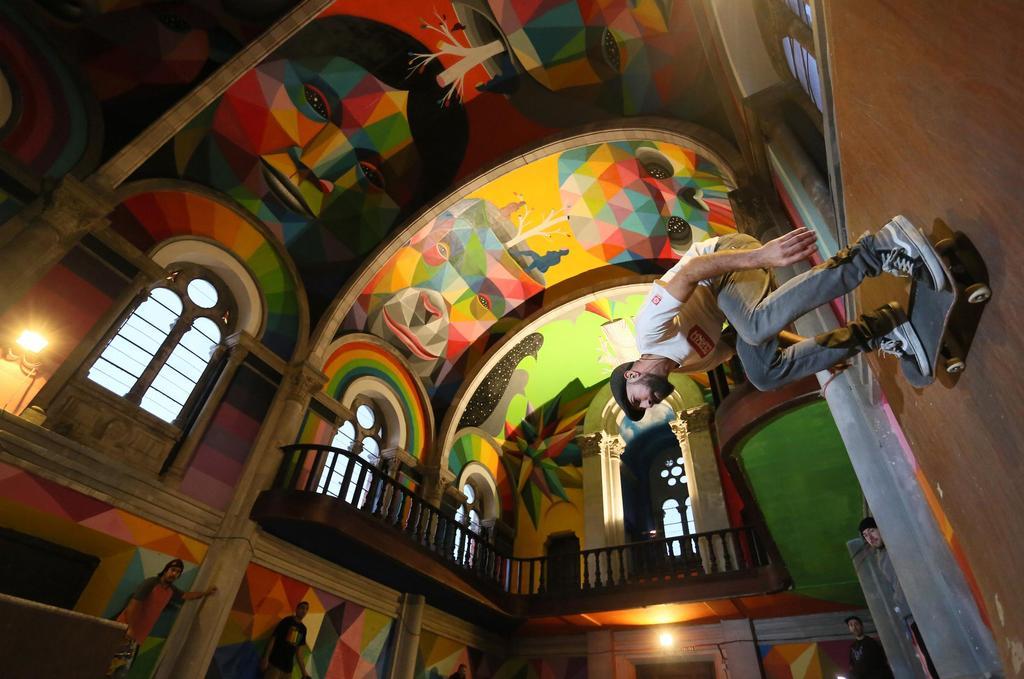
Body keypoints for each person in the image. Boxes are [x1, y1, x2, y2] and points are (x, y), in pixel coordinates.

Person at [610, 216, 945, 419]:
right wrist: (820, 354)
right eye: (647, 408)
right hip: (737, 302)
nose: (650, 403)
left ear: (631, 375)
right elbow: (751, 340)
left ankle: (877, 250)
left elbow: (691, 271)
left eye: (639, 400)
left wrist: (760, 255)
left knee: (754, 326)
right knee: (763, 374)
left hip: (726, 258)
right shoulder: (691, 364)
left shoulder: (649, 330)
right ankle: (882, 329)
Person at [107, 558, 217, 677]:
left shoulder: (171, 590)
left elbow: (186, 595)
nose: (174, 574)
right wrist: (130, 628)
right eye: (172, 570)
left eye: (178, 572)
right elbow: (133, 605)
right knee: (107, 664)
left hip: (137, 637)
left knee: (120, 671)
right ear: (165, 570)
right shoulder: (151, 583)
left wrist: (206, 592)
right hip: (125, 632)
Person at [860, 517, 939, 678]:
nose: (870, 537)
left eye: (872, 531)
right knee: (929, 657)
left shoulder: (898, 545)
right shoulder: (880, 558)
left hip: (927, 607)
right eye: (866, 536)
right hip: (910, 614)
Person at [262, 601, 312, 679]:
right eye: (302, 608)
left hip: (288, 669)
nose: (304, 611)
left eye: (306, 609)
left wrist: (304, 672)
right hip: (275, 663)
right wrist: (265, 658)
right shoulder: (287, 621)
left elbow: (298, 652)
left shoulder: (303, 629)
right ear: (297, 609)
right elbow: (273, 639)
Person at [845, 615, 894, 679]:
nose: (854, 627)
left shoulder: (872, 643)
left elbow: (883, 662)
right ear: (849, 629)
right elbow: (853, 666)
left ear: (861, 626)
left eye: (856, 624)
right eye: (851, 625)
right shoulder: (852, 647)